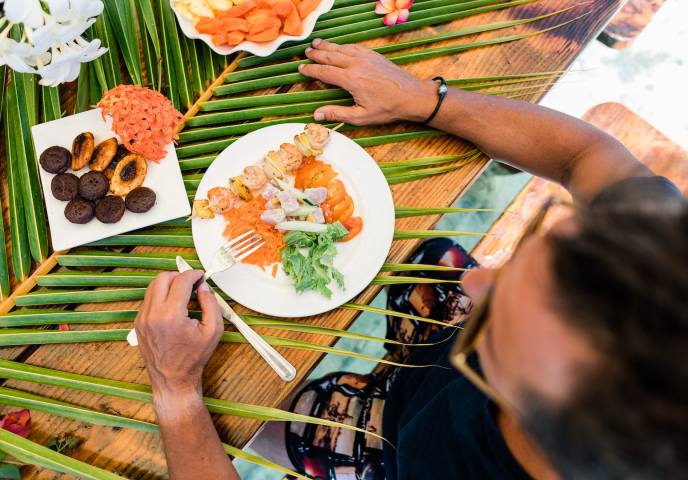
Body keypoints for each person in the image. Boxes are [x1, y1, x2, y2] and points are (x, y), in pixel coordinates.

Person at [134, 39, 687, 479]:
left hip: (400, 451)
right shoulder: (661, 260)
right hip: (442, 379)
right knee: (432, 263)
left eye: (501, 324)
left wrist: (176, 389)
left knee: (286, 425)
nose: (474, 280)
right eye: (532, 256)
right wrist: (425, 98)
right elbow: (585, 154)